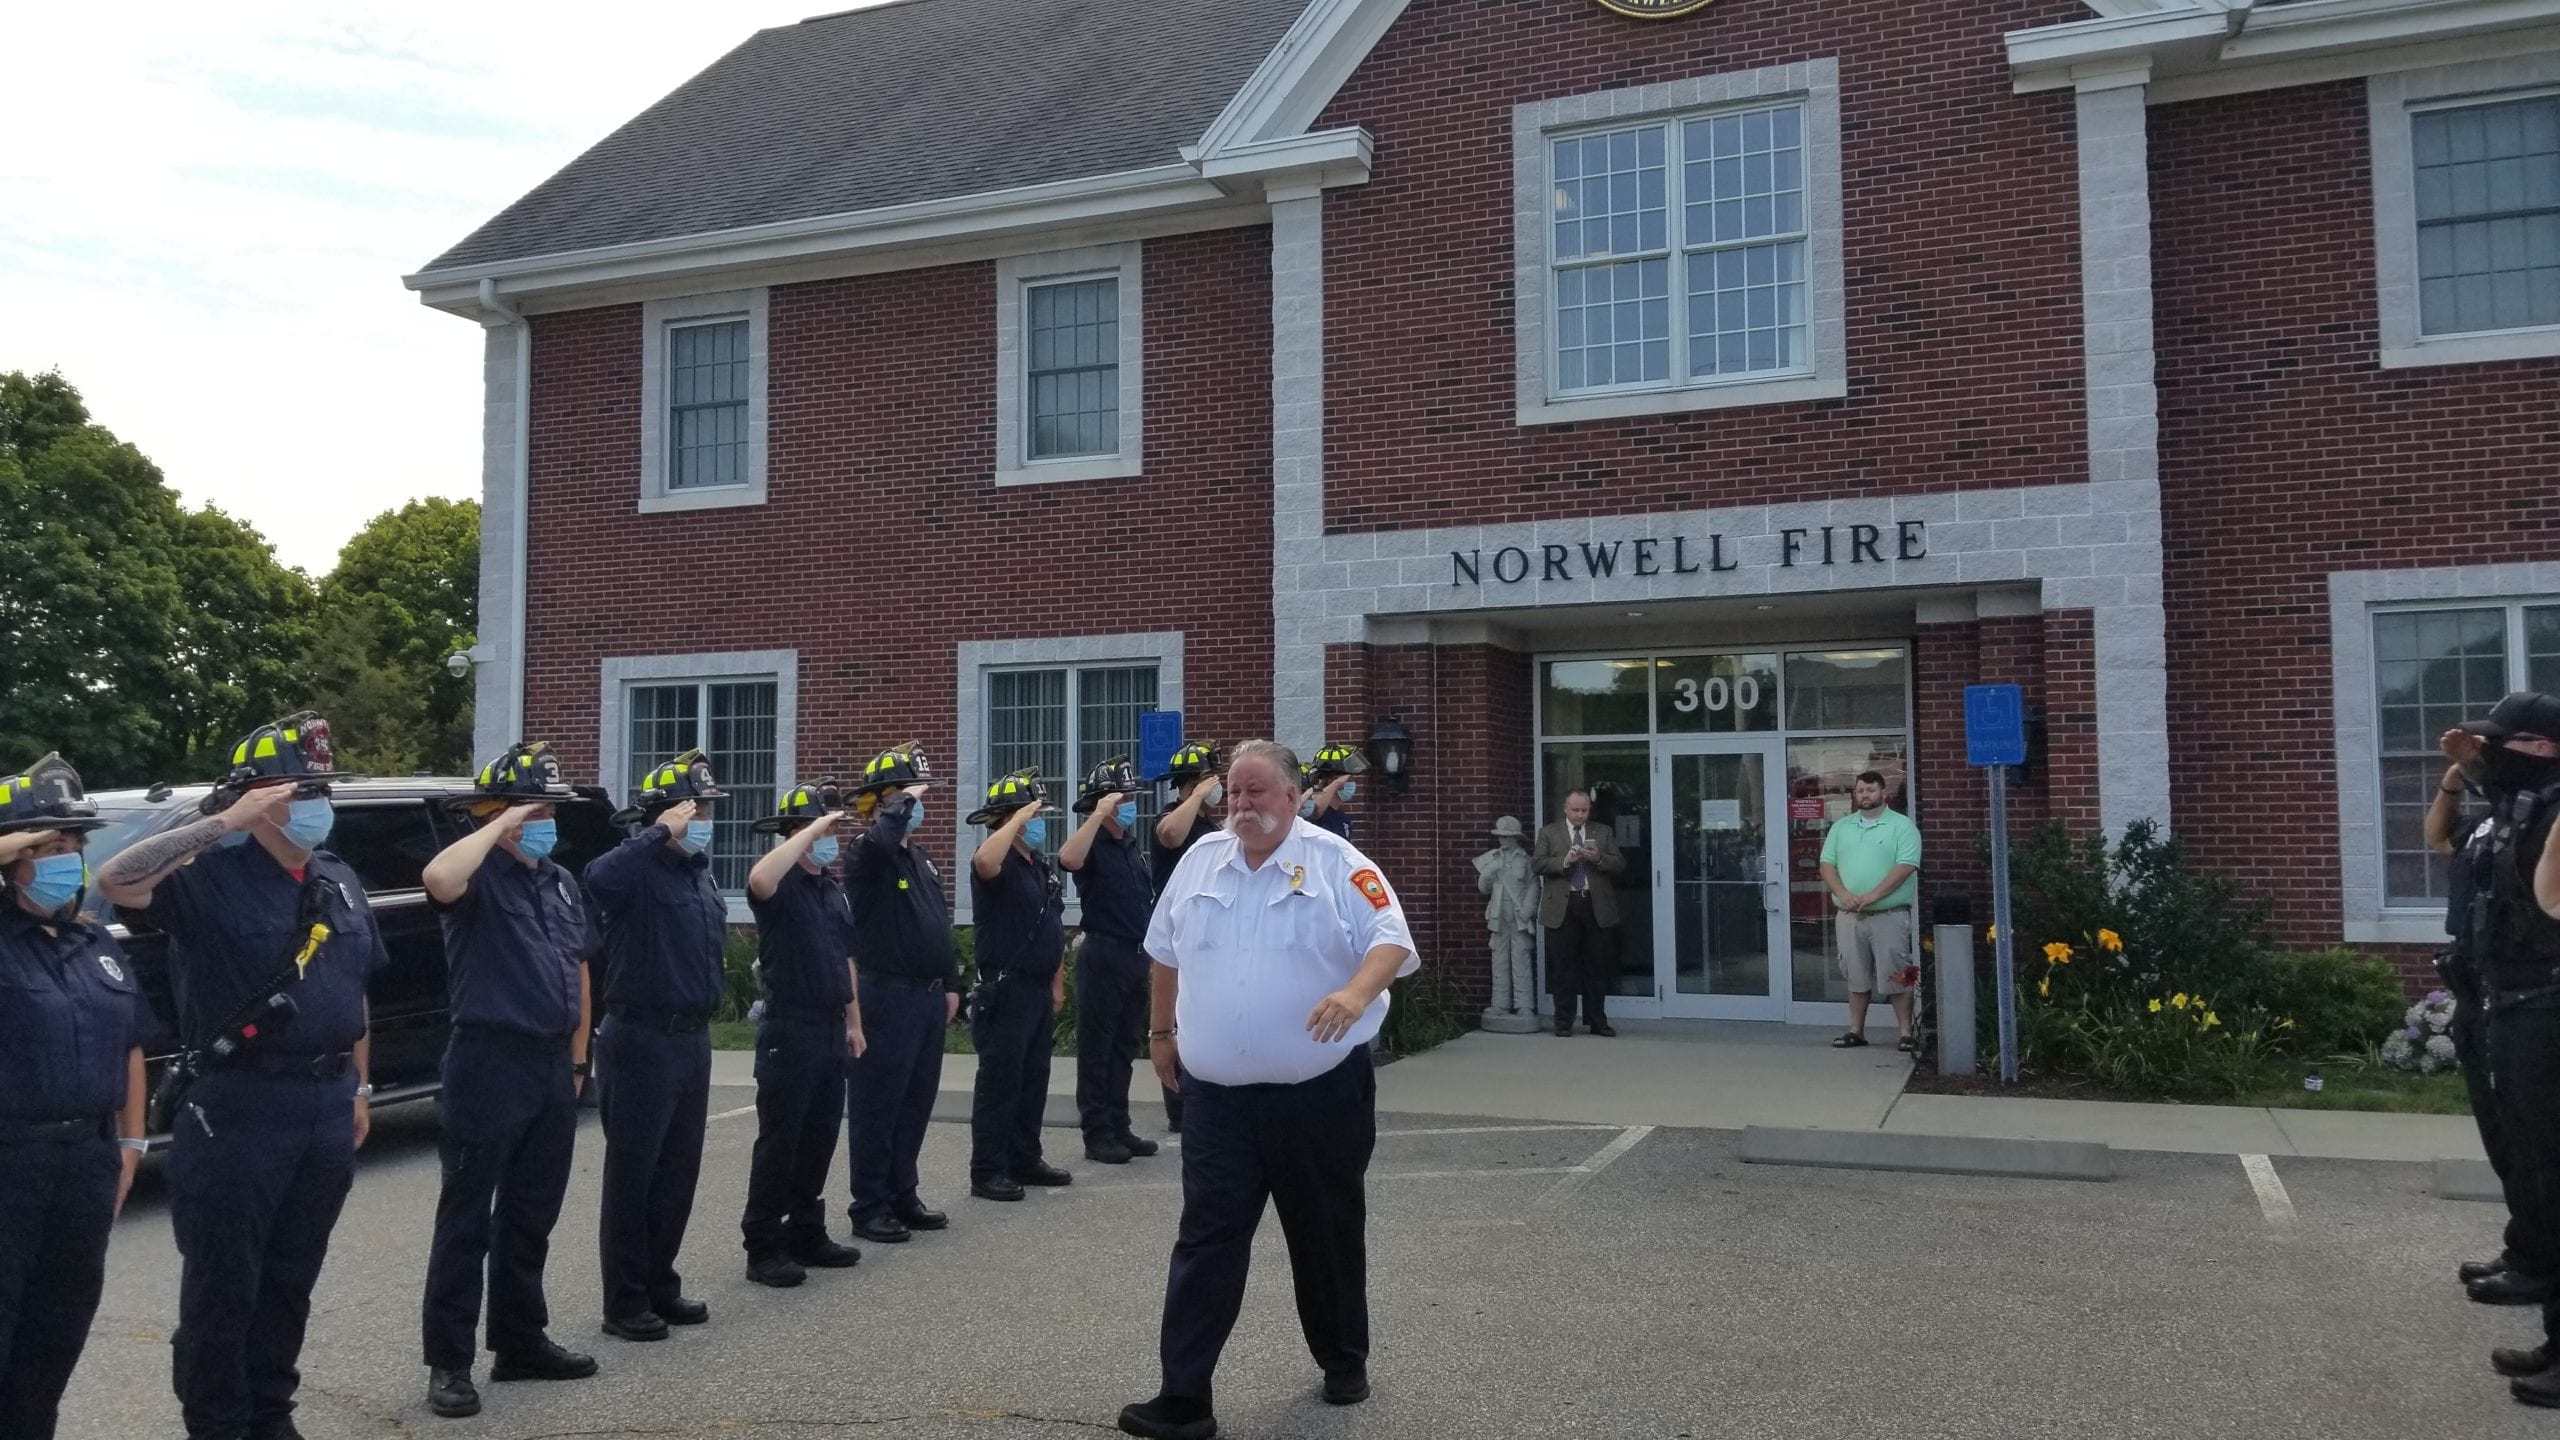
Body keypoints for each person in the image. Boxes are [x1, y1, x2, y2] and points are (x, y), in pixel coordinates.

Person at [97, 711, 387, 1440]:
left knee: (291, 1279)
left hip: (322, 1103)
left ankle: (271, 1413)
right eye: (302, 789)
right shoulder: (207, 877)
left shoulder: (337, 880)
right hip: (237, 1106)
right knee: (226, 1285)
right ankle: (218, 1423)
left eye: (325, 788)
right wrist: (218, 821)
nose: (320, 803)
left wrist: (358, 1086)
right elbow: (116, 879)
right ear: (259, 796)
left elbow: (352, 992)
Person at [1116, 740, 1417, 1440]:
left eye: (1258, 792)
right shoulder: (1200, 862)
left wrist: (1352, 992)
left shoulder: (1338, 862)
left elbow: (1391, 939)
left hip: (1317, 1095)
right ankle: (1184, 1398)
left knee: (1325, 1233)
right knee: (1207, 1239)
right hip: (1217, 1098)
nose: (1243, 806)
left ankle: (1343, 1360)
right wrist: (1161, 1037)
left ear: (1293, 795)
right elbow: (1164, 952)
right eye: (1235, 793)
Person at [416, 743, 601, 1419]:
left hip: (551, 1061)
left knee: (531, 1213)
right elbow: (438, 877)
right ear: (501, 814)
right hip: (488, 1059)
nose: (547, 820)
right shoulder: (478, 872)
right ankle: (450, 1362)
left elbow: (578, 970)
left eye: (550, 808)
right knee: (467, 1218)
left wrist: (578, 1061)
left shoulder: (557, 880)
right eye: (535, 809)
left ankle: (520, 1340)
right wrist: (496, 823)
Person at [0, 754, 150, 1440]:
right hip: (12, 1164)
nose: (67, 861)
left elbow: (130, 1045)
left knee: (55, 1334)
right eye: (47, 850)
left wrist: (130, 1142)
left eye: (73, 848)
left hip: (85, 1162)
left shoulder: (95, 939)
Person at [582, 749, 728, 1342]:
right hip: (640, 1036)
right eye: (699, 809)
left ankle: (659, 1283)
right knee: (634, 1176)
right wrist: (654, 834)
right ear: (670, 816)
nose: (708, 818)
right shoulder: (634, 869)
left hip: (690, 1037)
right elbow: (598, 878)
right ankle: (625, 1301)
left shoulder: (698, 872)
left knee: (676, 1173)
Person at [2454, 690, 2560, 1407]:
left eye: (2505, 743)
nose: (2488, 754)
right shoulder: (2522, 807)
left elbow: (2550, 904)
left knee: (2554, 1171)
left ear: (2544, 748)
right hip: (2515, 1004)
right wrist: (2473, 766)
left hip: (2548, 1004)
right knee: (2533, 1166)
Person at [2432, 725, 2543, 1307]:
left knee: (2535, 1142)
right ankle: (2527, 1249)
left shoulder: (2541, 815)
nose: (2484, 752)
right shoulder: (2498, 817)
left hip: (2533, 996)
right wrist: (2461, 775)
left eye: (2501, 743)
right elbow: (2440, 839)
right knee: (2505, 1135)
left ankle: (2537, 1262)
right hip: (2484, 989)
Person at [740, 780, 866, 1288]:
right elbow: (759, 878)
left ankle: (806, 1231)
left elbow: (845, 959)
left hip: (829, 1025)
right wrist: (809, 827)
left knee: (818, 1137)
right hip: (787, 1026)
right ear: (799, 832)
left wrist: (854, 1021)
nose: (832, 837)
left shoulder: (829, 888)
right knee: (781, 1141)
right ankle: (764, 1245)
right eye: (824, 828)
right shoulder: (780, 882)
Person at [841, 743, 959, 1245]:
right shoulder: (868, 853)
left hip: (927, 998)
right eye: (909, 797)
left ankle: (902, 1192)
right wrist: (899, 801)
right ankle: (870, 1204)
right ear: (885, 803)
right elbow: (883, 837)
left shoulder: (921, 858)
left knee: (915, 1101)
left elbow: (938, 924)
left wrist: (951, 982)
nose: (919, 805)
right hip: (886, 997)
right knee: (878, 1105)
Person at [964, 769, 1073, 1201]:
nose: (1040, 821)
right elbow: (984, 862)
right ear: (1012, 819)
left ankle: (1025, 1157)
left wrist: (1057, 983)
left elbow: (1052, 926)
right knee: (1000, 1083)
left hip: (1037, 990)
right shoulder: (998, 860)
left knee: (1033, 1079)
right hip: (1005, 990)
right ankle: (988, 1169)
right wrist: (1012, 820)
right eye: (1034, 814)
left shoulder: (1037, 865)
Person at [1062, 756, 1161, 1165]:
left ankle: (1120, 1125)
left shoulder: (1129, 846)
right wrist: (1097, 814)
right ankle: (1097, 1132)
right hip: (1103, 952)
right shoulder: (1092, 844)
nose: (1131, 803)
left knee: (1123, 1047)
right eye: (1124, 798)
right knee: (1098, 1048)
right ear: (1105, 803)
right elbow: (1068, 858)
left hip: (1134, 953)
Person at [1818, 770, 1923, 1053]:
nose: (1865, 795)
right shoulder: (1841, 827)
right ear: (1855, 794)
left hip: (1890, 914)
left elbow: (1906, 866)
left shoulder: (1902, 826)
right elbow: (1827, 864)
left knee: (1900, 975)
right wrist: (1843, 894)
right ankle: (1856, 1031)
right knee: (1855, 974)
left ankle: (1905, 1032)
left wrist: (1873, 896)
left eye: (1871, 790)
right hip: (1850, 916)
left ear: (1883, 793)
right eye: (1861, 790)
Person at [1149, 740, 1223, 1135]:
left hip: (1209, 933)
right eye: (1212, 780)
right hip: (1176, 937)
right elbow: (1171, 835)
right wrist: (1194, 795)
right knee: (1177, 1019)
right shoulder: (1173, 816)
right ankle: (1178, 1107)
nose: (1218, 788)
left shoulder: (1208, 823)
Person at [1533, 789, 1626, 1037]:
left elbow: (1619, 863)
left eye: (1584, 810)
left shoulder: (1602, 831)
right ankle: (1563, 1022)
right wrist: (1564, 861)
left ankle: (1597, 1021)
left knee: (1596, 966)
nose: (1580, 815)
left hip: (1595, 905)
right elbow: (1538, 863)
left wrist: (1598, 858)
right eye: (1575, 810)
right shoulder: (1549, 832)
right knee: (1563, 967)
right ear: (1565, 808)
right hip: (1563, 905)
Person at [1473, 816, 1537, 1018]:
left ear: (1516, 838)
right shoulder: (1491, 858)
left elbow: (1534, 886)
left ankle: (1524, 1004)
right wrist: (1487, 874)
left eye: (1507, 837)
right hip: (1498, 915)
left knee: (1521, 959)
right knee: (1499, 960)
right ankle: (1499, 1003)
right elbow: (1483, 889)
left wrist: (1527, 910)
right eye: (1500, 836)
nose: (1502, 840)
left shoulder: (1526, 861)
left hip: (1519, 916)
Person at [1302, 743, 1366, 842]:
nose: (1352, 784)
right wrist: (1337, 783)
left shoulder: (1344, 819)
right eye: (1348, 779)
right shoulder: (1311, 811)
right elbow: (1316, 810)